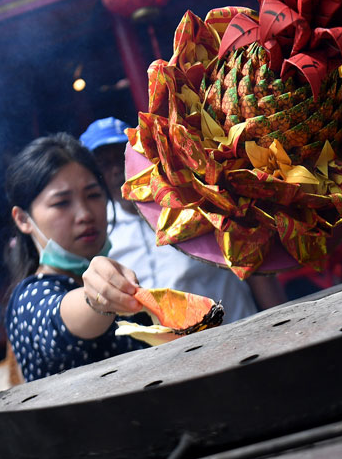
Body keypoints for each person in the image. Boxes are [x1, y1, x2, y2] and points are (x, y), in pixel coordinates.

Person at [81, 117, 283, 314]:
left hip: (238, 332)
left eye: (121, 158)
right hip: (168, 347)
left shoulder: (190, 198)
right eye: (104, 164)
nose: (117, 170)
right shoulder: (98, 231)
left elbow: (251, 258)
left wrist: (280, 322)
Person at [4, 133, 150, 382]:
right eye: (61, 203)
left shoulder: (111, 283)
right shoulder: (28, 300)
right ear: (23, 219)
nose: (84, 214)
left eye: (93, 195)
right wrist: (97, 299)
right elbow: (60, 320)